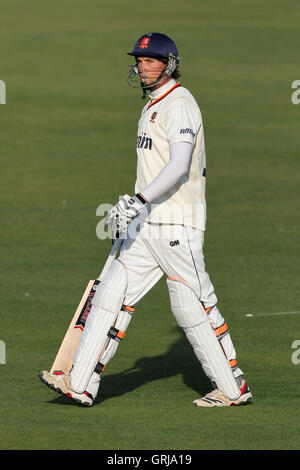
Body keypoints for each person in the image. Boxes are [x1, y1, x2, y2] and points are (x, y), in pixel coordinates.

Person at [39, 32, 252, 407]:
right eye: (139, 60)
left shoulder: (180, 104)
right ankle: (81, 381)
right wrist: (133, 208)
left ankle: (232, 388)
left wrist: (138, 200)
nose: (142, 66)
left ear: (169, 64)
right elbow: (155, 168)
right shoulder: (153, 104)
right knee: (110, 293)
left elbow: (179, 165)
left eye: (151, 60)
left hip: (176, 223)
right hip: (147, 223)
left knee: (193, 306)